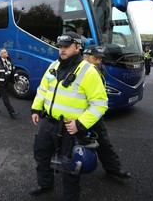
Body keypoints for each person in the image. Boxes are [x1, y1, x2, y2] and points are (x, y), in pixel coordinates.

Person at [29, 32, 108, 200]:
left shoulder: (89, 71)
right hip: (48, 122)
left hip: (70, 128)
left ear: (78, 47)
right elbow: (43, 90)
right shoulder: (54, 65)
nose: (62, 50)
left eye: (66, 47)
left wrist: (80, 124)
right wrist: (36, 109)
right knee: (41, 155)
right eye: (60, 47)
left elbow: (100, 104)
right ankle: (44, 184)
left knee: (70, 166)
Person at [83, 45, 131, 179]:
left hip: (92, 113)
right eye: (96, 58)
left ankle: (113, 169)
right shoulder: (75, 70)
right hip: (76, 113)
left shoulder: (99, 69)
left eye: (100, 59)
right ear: (85, 57)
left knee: (103, 142)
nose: (99, 61)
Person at [0, 48, 19, 118]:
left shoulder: (9, 61)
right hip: (0, 83)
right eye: (5, 52)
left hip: (6, 82)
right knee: (5, 98)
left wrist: (16, 78)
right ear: (1, 54)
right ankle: (12, 113)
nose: (6, 53)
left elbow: (13, 71)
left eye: (6, 52)